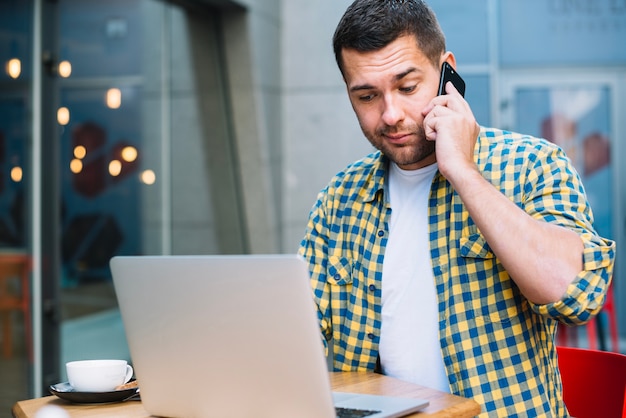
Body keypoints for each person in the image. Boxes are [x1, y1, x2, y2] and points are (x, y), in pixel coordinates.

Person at [297, 0, 616, 416]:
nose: (390, 114)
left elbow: (573, 295)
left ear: (448, 72)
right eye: (367, 95)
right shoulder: (339, 199)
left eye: (408, 87)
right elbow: (297, 334)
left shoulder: (533, 164)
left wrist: (463, 172)